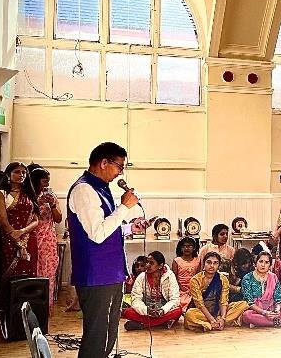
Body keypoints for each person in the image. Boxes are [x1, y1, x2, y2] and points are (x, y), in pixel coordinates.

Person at [67, 142, 146, 358]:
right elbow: (97, 234)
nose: (121, 172)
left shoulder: (100, 188)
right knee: (97, 338)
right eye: (119, 166)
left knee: (108, 334)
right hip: (96, 276)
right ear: (103, 162)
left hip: (109, 274)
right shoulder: (84, 189)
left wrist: (129, 227)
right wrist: (124, 208)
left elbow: (107, 226)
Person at [0, 162, 40, 302]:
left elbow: (36, 220)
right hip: (8, 241)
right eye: (17, 172)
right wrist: (17, 240)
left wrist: (22, 231)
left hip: (28, 239)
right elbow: (3, 222)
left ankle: (25, 311)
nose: (21, 175)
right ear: (8, 174)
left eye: (24, 172)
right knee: (10, 277)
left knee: (28, 277)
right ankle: (7, 314)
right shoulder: (1, 194)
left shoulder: (29, 195)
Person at [185, 251, 248, 331]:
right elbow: (199, 304)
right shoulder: (195, 280)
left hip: (218, 311)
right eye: (209, 262)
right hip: (202, 312)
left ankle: (213, 324)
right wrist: (211, 319)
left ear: (218, 265)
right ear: (204, 264)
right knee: (189, 314)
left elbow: (223, 301)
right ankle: (213, 324)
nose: (212, 266)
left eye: (215, 263)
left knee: (243, 304)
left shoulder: (223, 279)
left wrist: (222, 318)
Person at [29, 165, 62, 312]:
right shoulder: (28, 197)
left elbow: (58, 218)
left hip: (48, 238)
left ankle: (44, 309)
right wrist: (37, 203)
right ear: (36, 181)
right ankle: (30, 307)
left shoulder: (51, 196)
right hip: (31, 237)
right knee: (33, 270)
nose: (47, 184)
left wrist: (52, 204)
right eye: (44, 181)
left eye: (48, 181)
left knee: (48, 270)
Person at [122, 251, 182, 330]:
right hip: (146, 309)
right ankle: (161, 322)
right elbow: (136, 299)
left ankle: (143, 325)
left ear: (160, 265)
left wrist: (162, 310)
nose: (147, 265)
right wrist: (146, 310)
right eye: (147, 262)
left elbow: (175, 300)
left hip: (163, 309)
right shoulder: (142, 277)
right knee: (127, 312)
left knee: (178, 311)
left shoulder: (170, 276)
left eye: (151, 263)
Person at [240, 250, 281, 328]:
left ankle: (261, 322)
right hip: (255, 310)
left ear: (270, 265)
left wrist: (277, 310)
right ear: (256, 263)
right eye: (261, 261)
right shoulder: (247, 278)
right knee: (247, 315)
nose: (263, 265)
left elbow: (278, 299)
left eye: (266, 262)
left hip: (271, 309)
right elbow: (249, 302)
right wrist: (264, 313)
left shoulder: (273, 277)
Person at [172, 237, 200, 309]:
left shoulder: (198, 260)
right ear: (181, 248)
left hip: (194, 288)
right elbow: (174, 278)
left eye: (189, 246)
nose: (186, 248)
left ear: (194, 248)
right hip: (179, 289)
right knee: (179, 302)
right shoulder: (176, 261)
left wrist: (192, 289)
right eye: (184, 246)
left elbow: (198, 277)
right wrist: (182, 289)